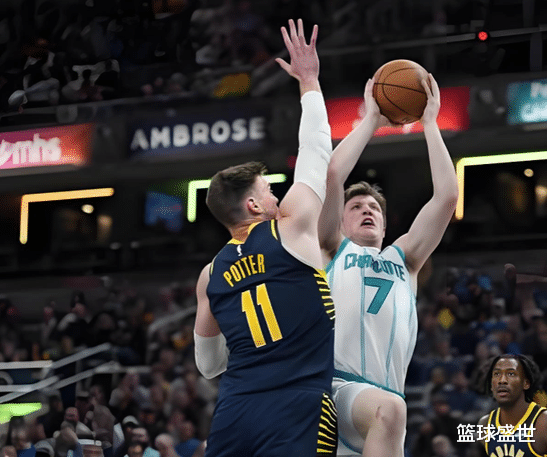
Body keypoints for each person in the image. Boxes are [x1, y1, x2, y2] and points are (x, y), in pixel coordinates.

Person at [194, 18, 337, 457]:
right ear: (254, 206)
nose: (276, 196)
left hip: (235, 414)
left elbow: (208, 365)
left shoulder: (210, 274)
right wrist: (309, 81)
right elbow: (317, 149)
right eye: (269, 190)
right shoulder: (290, 228)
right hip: (297, 407)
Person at [318, 70, 458, 456]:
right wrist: (371, 121)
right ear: (340, 221)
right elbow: (333, 174)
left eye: (374, 208)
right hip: (336, 390)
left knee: (391, 409)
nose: (367, 210)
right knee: (390, 409)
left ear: (384, 225)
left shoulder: (405, 257)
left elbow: (447, 197)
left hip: (382, 404)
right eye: (356, 207)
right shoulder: (332, 248)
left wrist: (430, 123)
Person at [477, 354, 547, 456]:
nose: (502, 380)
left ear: (526, 383)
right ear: (491, 385)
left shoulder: (543, 423)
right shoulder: (485, 424)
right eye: (497, 374)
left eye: (511, 374)